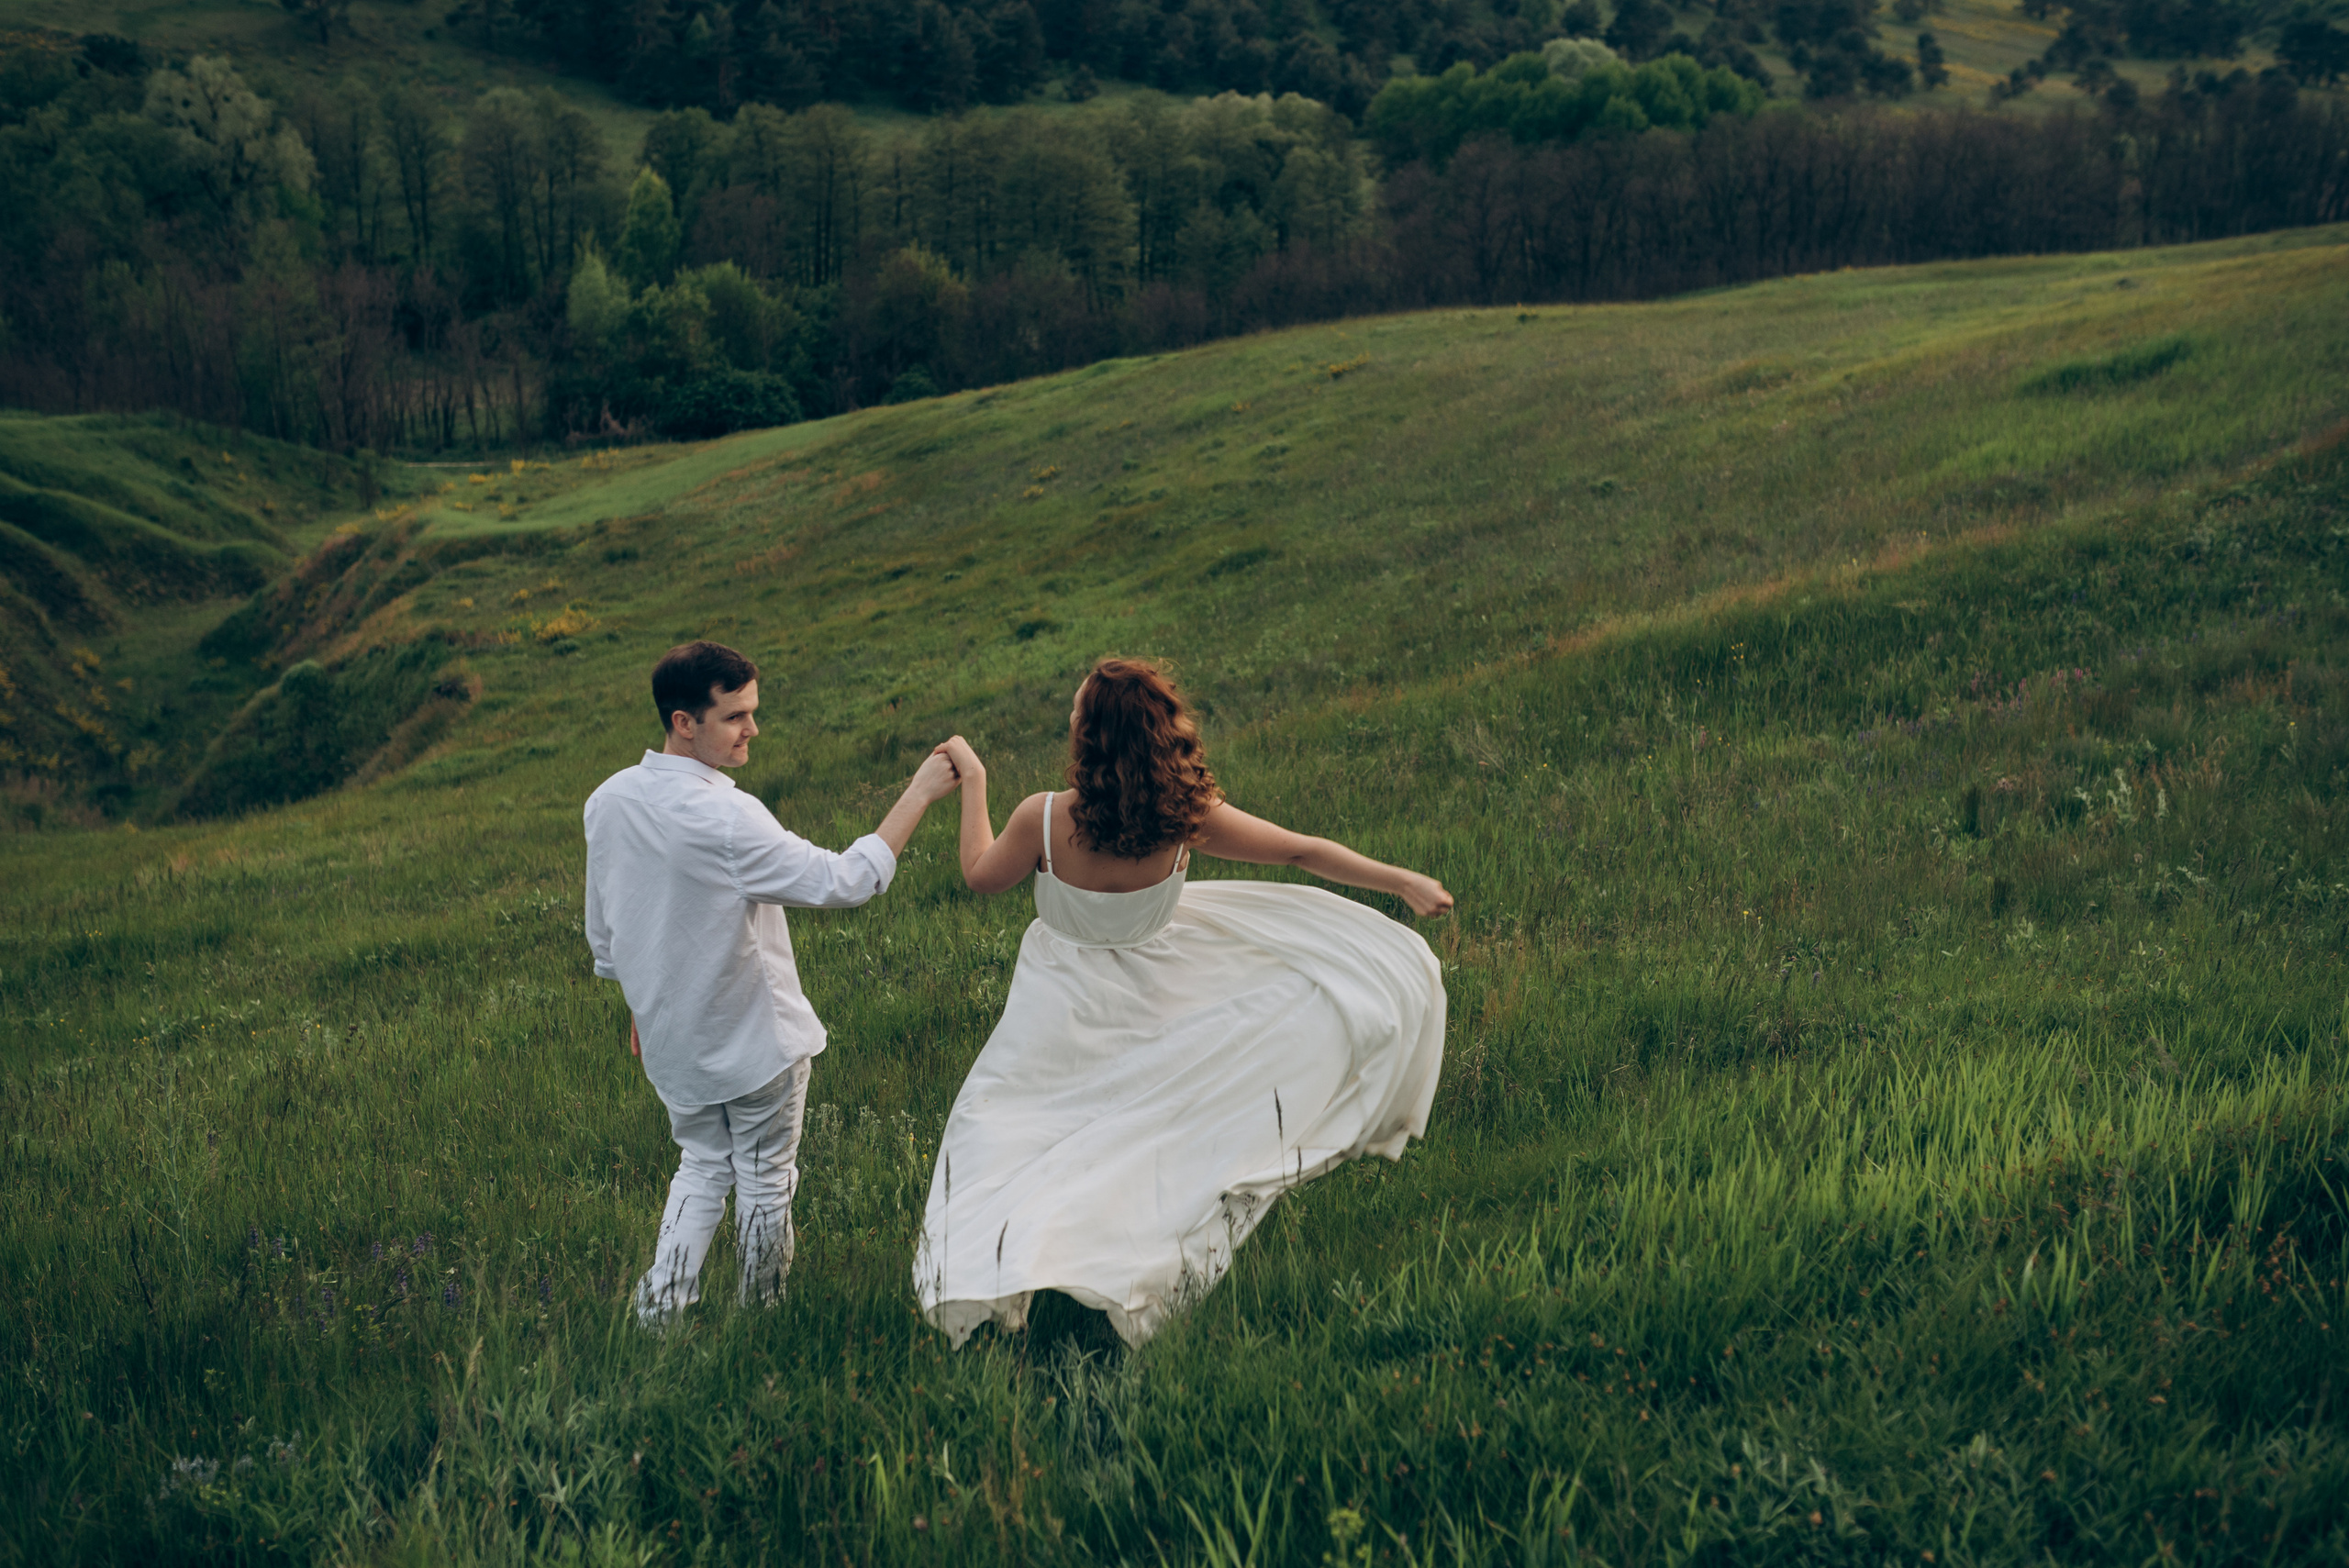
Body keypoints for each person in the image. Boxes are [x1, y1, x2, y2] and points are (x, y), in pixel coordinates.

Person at [913, 657, 1453, 1349]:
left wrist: (976, 782)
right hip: (1158, 988)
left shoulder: (1043, 818)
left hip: (1060, 1000)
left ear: (1091, 738)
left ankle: (1006, 1270)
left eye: (1077, 714)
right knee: (1137, 1133)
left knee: (1013, 1129)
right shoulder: (1183, 817)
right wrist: (1400, 879)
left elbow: (979, 874)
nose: (1071, 719)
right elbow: (1302, 853)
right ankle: (1105, 1255)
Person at [584, 641, 959, 1329]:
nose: (753, 729)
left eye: (753, 712)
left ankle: (659, 1309)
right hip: (755, 1040)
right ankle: (764, 1313)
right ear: (683, 721)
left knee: (700, 1165)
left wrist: (638, 1005)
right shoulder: (726, 819)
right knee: (764, 1180)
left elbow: (606, 929)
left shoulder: (608, 801)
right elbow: (849, 881)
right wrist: (920, 792)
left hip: (675, 1039)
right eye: (735, 717)